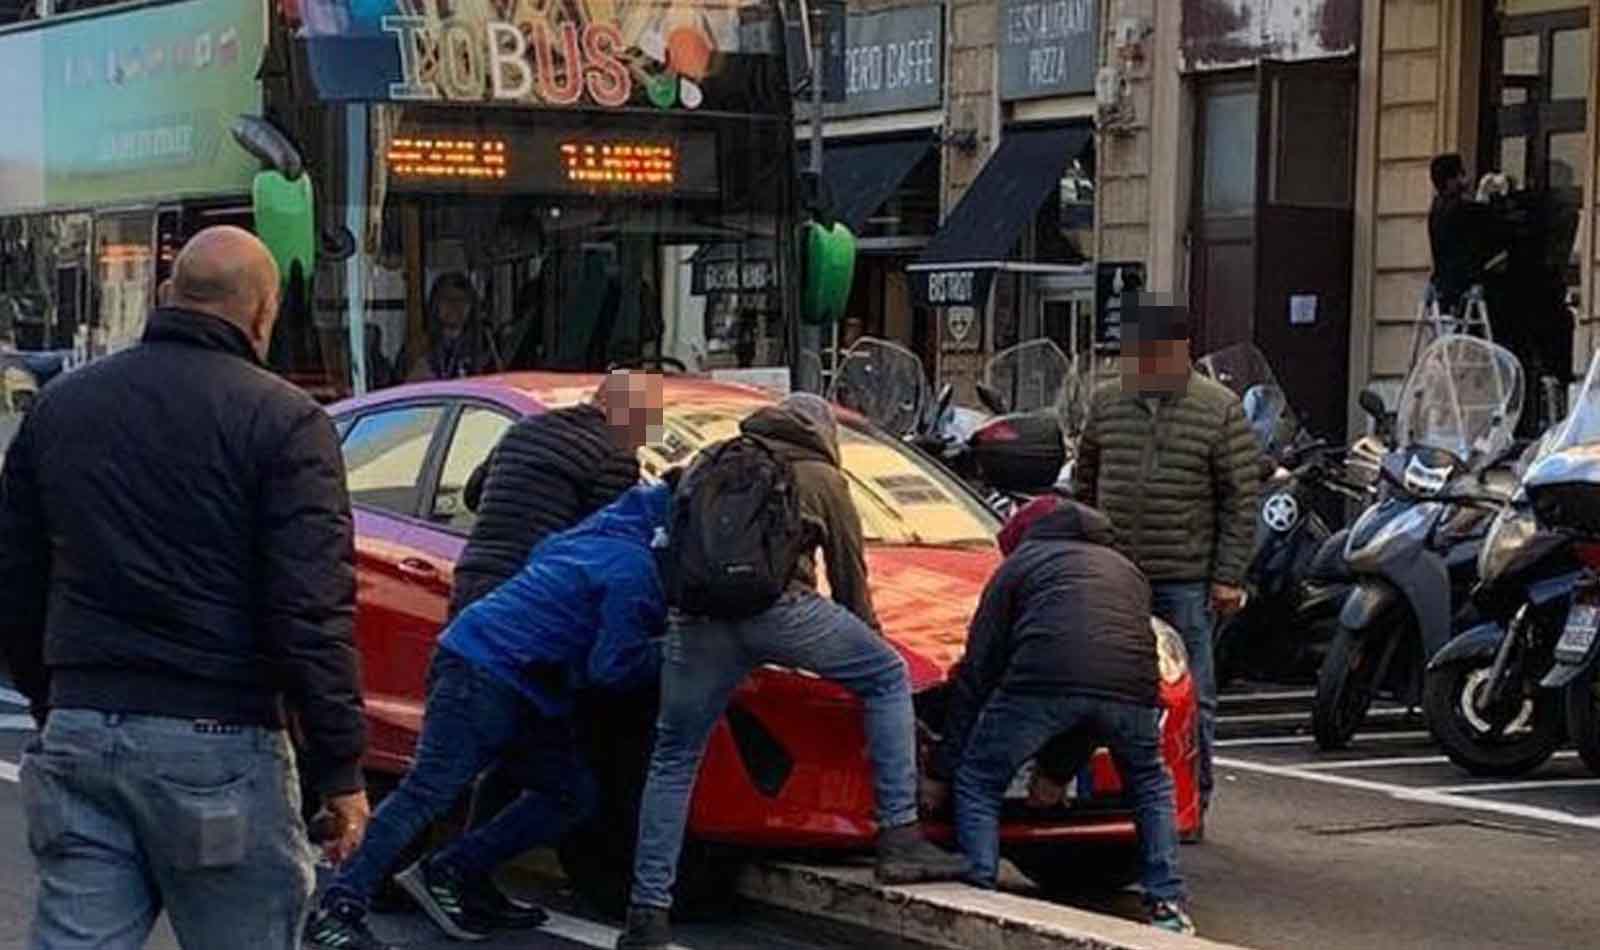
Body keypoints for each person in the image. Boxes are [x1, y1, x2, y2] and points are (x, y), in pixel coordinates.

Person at [0, 226, 369, 949]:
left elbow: (16, 577)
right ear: (263, 313)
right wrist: (341, 771)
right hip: (217, 739)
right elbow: (311, 611)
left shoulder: (61, 407)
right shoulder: (286, 421)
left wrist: (54, 699)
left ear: (167, 297)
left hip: (82, 723)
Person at [615, 393, 964, 950]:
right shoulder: (821, 476)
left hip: (697, 619)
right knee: (885, 676)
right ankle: (899, 836)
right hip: (780, 610)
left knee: (675, 757)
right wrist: (868, 646)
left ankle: (647, 912)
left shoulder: (711, 459)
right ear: (822, 431)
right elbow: (851, 581)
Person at [303, 484, 672, 950]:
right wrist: (673, 649)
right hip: (489, 672)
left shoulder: (600, 534)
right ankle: (339, 906)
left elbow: (547, 563)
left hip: (511, 673)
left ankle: (452, 870)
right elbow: (613, 666)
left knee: (568, 793)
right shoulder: (633, 570)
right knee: (429, 791)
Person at [924, 495, 1192, 935]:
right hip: (1134, 689)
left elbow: (979, 670)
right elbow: (1096, 694)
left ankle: (980, 895)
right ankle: (1167, 904)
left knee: (978, 778)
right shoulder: (1126, 569)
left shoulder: (1019, 566)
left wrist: (941, 768)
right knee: (1148, 783)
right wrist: (1056, 771)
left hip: (1041, 684)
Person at [1073, 296, 1259, 832]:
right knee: (1103, 688)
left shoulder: (1218, 408)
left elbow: (1239, 498)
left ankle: (1190, 802)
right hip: (1116, 576)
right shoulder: (1108, 403)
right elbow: (1085, 481)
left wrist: (1228, 575)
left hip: (1183, 575)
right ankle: (1106, 792)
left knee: (1190, 695)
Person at [1427, 153, 1511, 316]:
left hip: (1444, 286)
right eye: (1461, 174)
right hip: (1462, 287)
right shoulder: (1458, 209)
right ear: (1450, 180)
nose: (1466, 180)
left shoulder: (1437, 207)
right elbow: (1487, 219)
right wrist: (1488, 194)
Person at [401, 272, 497, 381]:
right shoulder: (417, 344)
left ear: (471, 305)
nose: (454, 305)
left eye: (461, 299)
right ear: (435, 305)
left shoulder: (486, 344)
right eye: (446, 299)